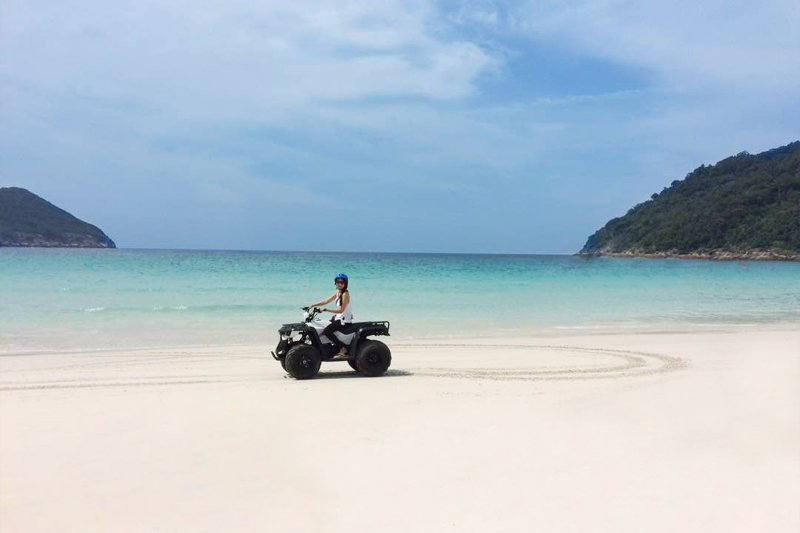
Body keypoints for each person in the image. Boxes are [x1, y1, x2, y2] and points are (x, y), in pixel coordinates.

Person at [307, 273, 353, 357]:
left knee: (327, 331)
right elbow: (326, 301)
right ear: (335, 283)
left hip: (344, 321)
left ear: (345, 283)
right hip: (338, 318)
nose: (339, 284)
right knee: (322, 324)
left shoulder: (345, 294)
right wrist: (313, 305)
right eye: (337, 282)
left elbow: (341, 310)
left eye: (342, 282)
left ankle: (342, 348)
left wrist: (325, 310)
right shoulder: (338, 292)